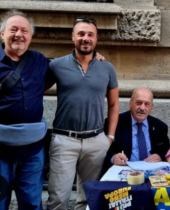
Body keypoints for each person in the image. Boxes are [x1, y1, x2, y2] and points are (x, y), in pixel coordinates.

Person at [47, 17, 119, 210]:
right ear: (73, 37)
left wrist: (109, 137)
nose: (85, 38)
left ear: (96, 39)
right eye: (81, 34)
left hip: (96, 141)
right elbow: (33, 90)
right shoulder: (56, 65)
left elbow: (113, 104)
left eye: (90, 34)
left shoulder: (107, 67)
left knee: (89, 199)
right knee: (58, 199)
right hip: (64, 140)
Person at [0, 10, 51, 210]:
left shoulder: (40, 61)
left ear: (30, 36)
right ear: (2, 33)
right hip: (0, 148)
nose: (19, 34)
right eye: (13, 29)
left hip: (32, 150)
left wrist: (93, 58)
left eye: (24, 30)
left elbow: (70, 67)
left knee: (31, 203)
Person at [103, 87, 170, 171]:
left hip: (152, 171)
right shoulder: (115, 123)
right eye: (138, 103)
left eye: (147, 104)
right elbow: (101, 151)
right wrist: (113, 158)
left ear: (151, 107)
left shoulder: (160, 127)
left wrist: (160, 156)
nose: (142, 108)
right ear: (130, 103)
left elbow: (168, 152)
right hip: (124, 170)